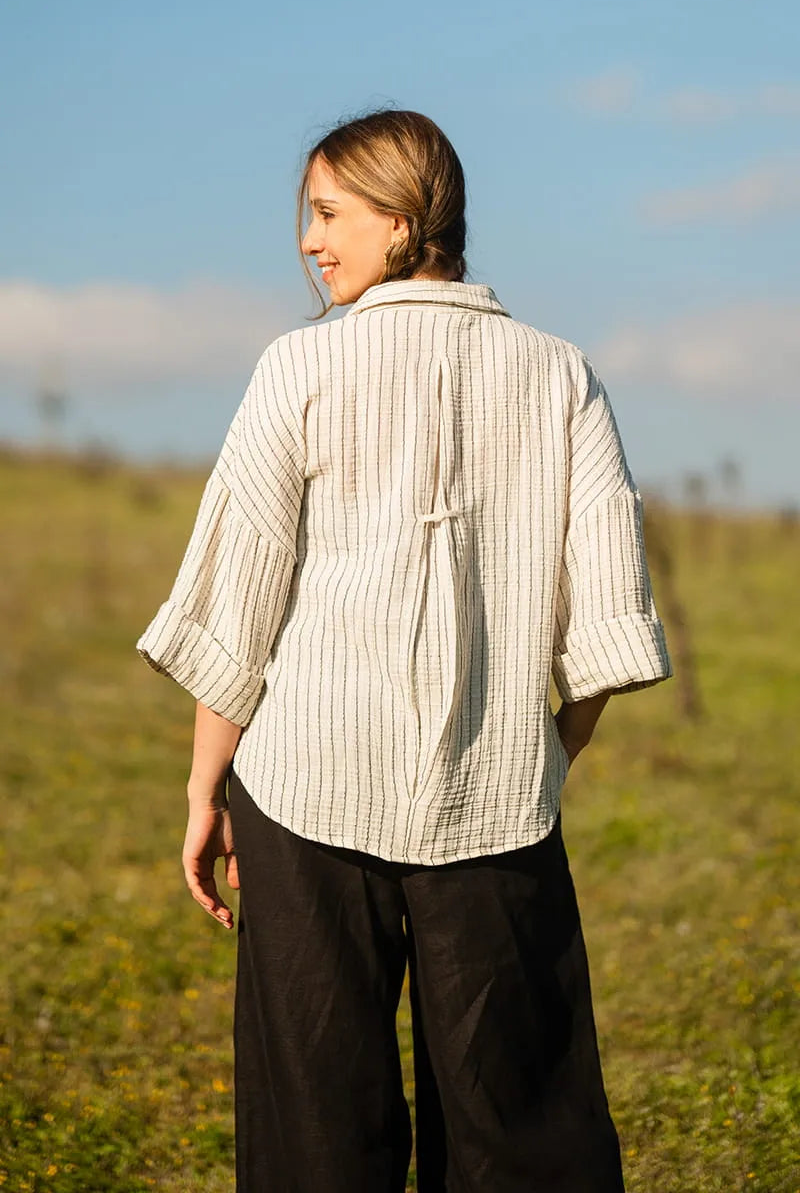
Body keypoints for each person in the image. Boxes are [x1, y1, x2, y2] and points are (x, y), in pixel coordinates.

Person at [136, 108, 672, 1193]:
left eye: (327, 213)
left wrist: (207, 788)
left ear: (402, 220)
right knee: (519, 1131)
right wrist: (543, 760)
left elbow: (236, 605)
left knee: (313, 1134)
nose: (306, 239)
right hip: (499, 804)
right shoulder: (559, 374)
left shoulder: (297, 369)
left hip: (300, 796)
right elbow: (605, 625)